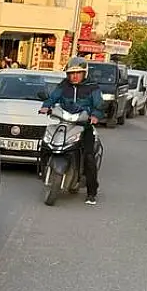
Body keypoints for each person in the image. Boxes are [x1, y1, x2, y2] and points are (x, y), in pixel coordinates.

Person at [40, 57, 105, 205]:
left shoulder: (92, 87)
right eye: (71, 73)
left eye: (78, 73)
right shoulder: (64, 85)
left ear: (84, 73)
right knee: (45, 142)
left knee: (88, 156)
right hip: (64, 122)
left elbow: (99, 104)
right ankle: (42, 169)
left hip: (84, 125)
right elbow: (52, 98)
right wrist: (46, 106)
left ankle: (91, 192)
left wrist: (95, 116)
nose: (74, 76)